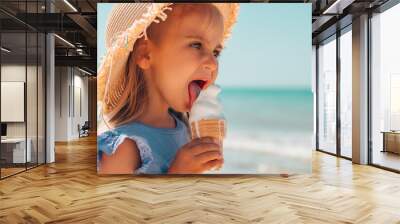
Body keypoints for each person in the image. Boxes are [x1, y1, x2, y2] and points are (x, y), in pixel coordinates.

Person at [97, 3, 239, 174]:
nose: (213, 63)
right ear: (145, 54)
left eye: (215, 52)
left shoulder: (186, 131)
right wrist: (178, 174)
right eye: (196, 45)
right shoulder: (121, 150)